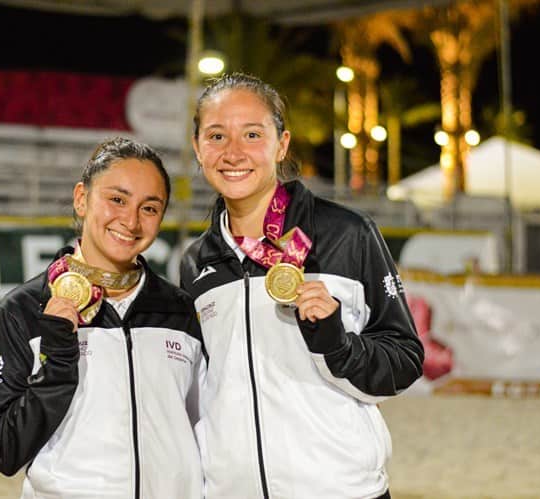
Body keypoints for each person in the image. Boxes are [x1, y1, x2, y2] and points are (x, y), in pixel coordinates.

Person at [180, 73, 424, 499]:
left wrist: (337, 344)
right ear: (198, 147)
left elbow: (403, 360)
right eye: (216, 136)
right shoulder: (195, 262)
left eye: (252, 134)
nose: (233, 152)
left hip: (338, 490)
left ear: (282, 144)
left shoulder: (347, 234)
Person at [0, 137, 206, 499]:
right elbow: (3, 450)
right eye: (117, 199)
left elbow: (204, 428)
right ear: (82, 199)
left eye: (149, 208)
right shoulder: (25, 308)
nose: (130, 221)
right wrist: (56, 359)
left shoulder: (179, 309)